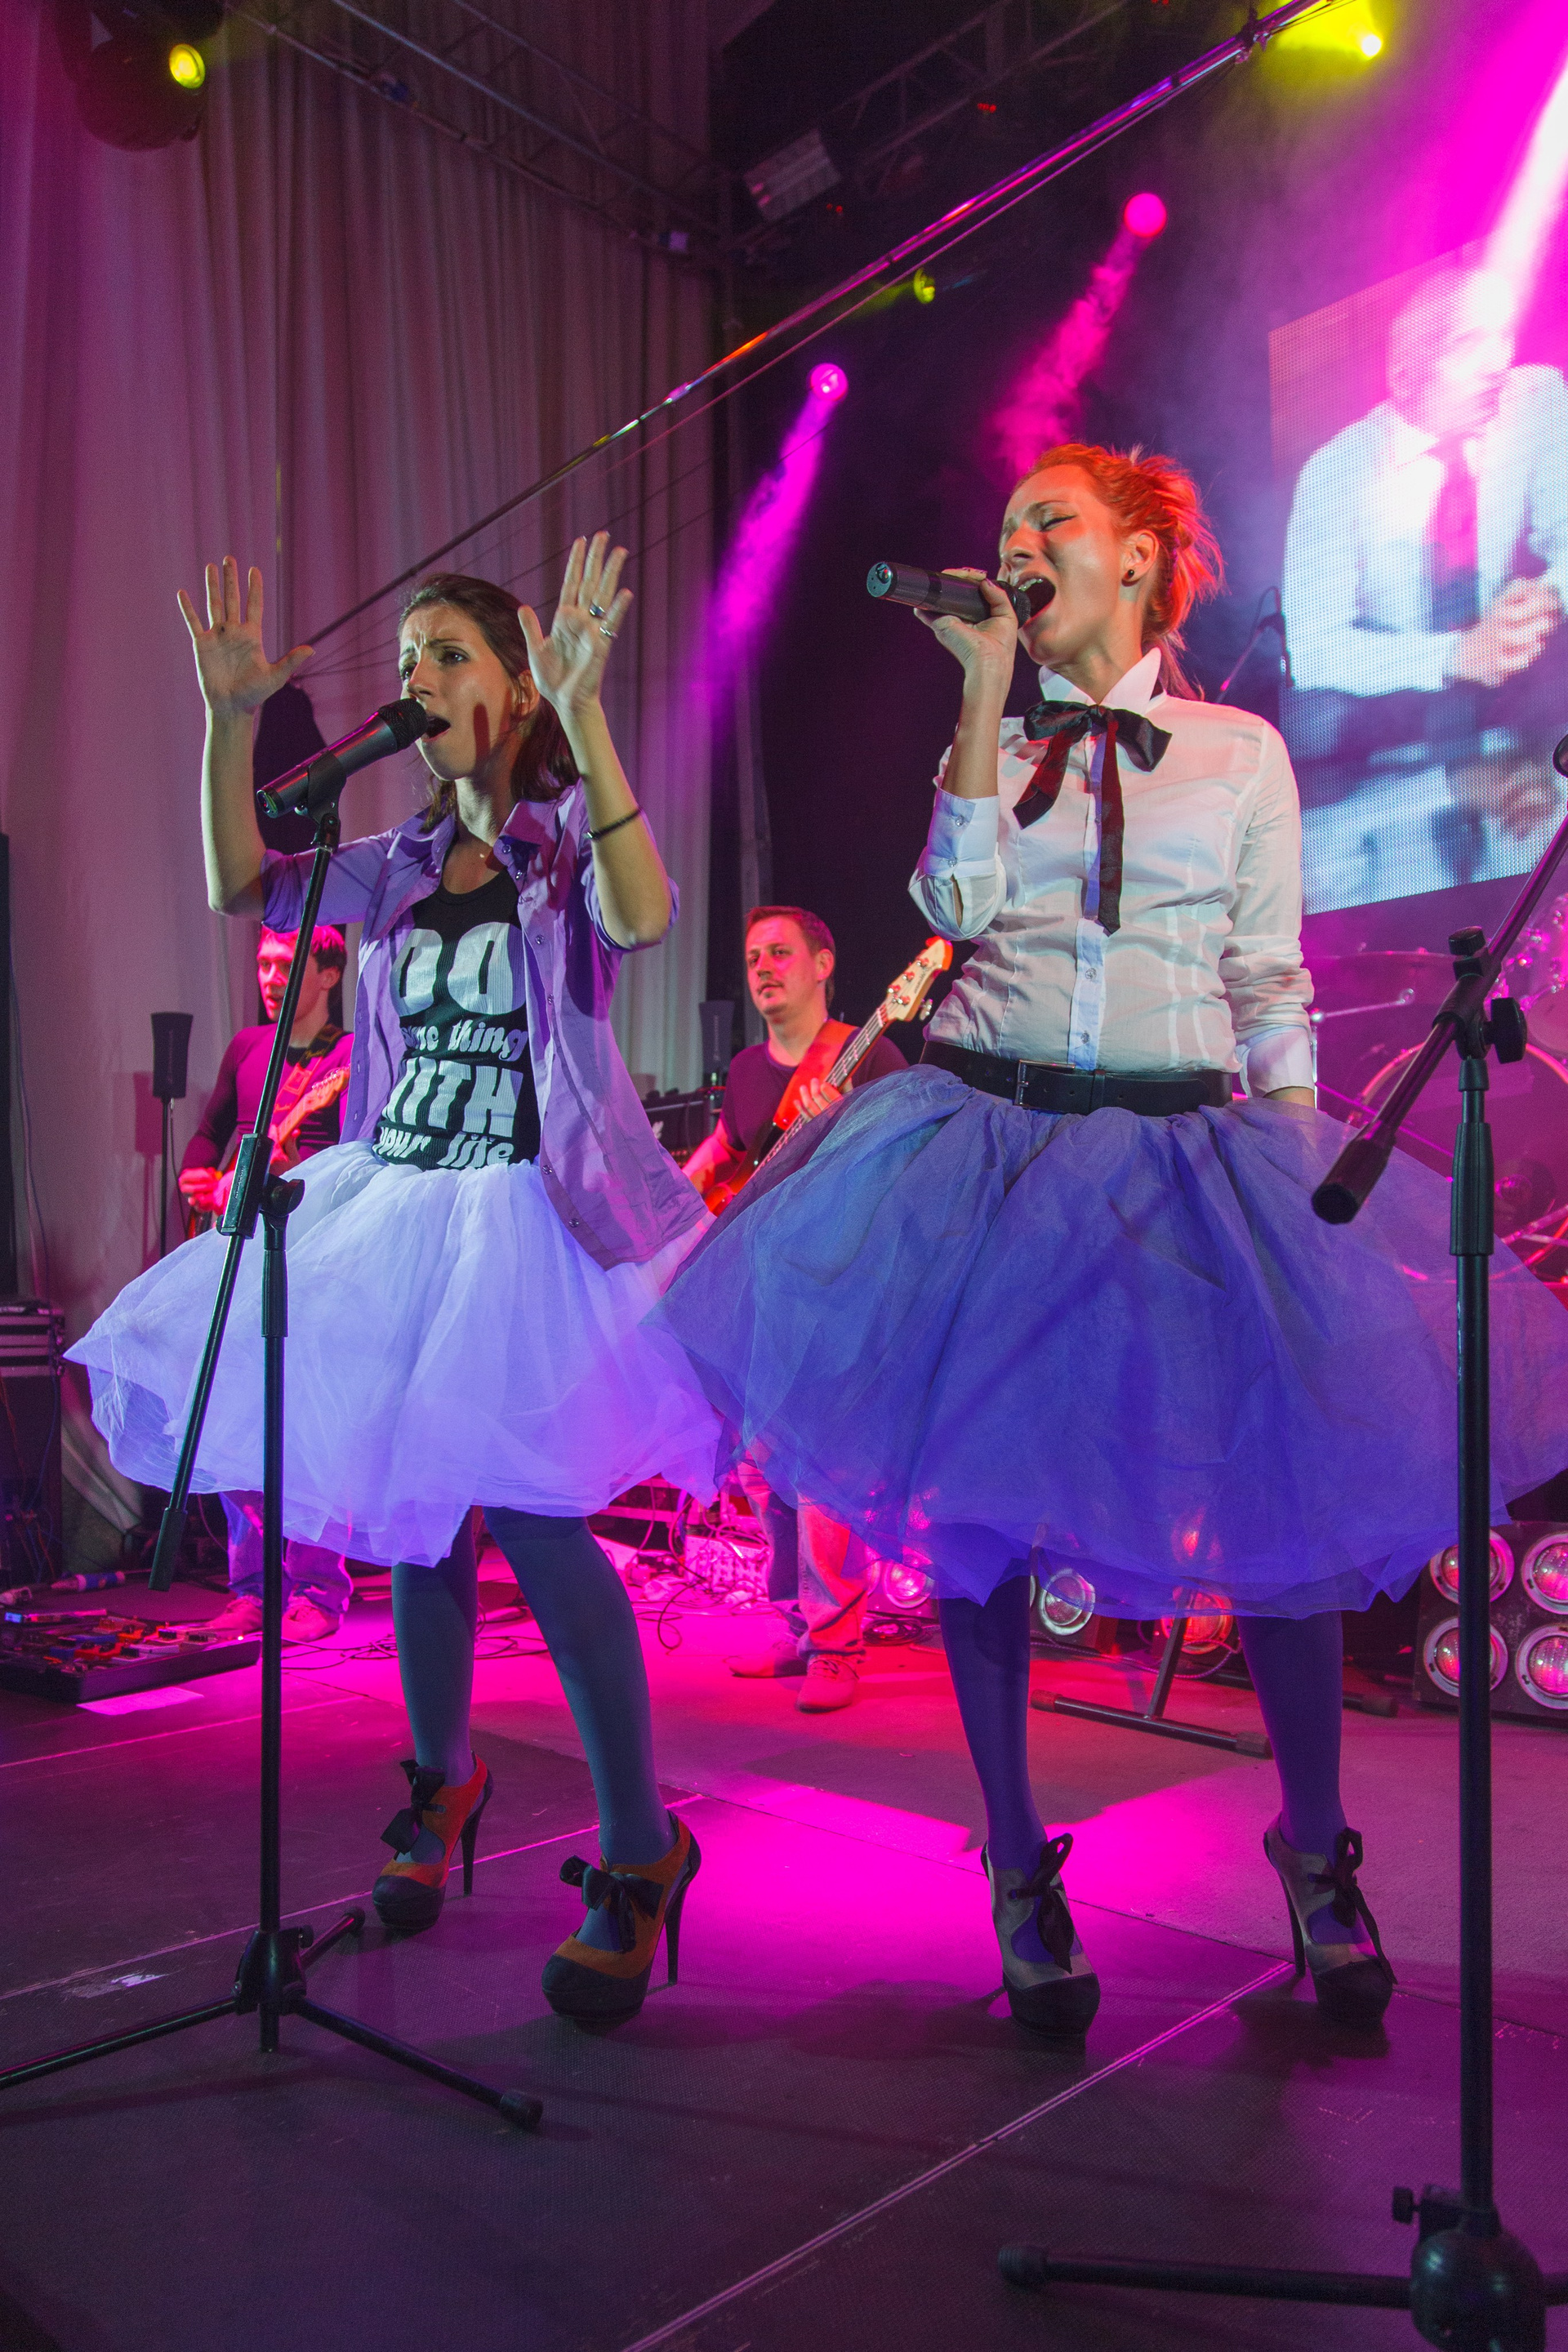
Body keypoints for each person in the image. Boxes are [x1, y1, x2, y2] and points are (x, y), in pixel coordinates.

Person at [657, 439, 1568, 2040]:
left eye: (1051, 521)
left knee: (1275, 1503)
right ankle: (1017, 1863)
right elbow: (953, 899)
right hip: (992, 1149)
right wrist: (977, 694)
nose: (1016, 541)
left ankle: (1315, 1851)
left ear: (1140, 557)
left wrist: (1304, 1195)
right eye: (1007, 522)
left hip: (1187, 1146)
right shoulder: (996, 743)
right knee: (980, 1520)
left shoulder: (1240, 752)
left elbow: (1268, 979)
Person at [70, 540, 723, 2025]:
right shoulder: (398, 863)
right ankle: (442, 1780)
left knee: (540, 1526)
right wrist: (231, 722)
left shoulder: (568, 836)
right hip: (401, 1198)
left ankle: (642, 1846)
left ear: (517, 687)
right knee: (421, 1525)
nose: (421, 677)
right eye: (414, 655)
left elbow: (641, 918)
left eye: (450, 655)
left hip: (529, 1217)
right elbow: (243, 883)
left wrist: (589, 713)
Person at [1281, 265, 1568, 910]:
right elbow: (1312, 647)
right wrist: (1456, 654)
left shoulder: (1537, 399)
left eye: (1502, 336)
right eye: (1468, 344)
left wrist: (1548, 594)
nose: (1497, 363)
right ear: (1405, 375)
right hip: (1388, 748)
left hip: (1528, 729)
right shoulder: (1335, 471)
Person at [684, 906, 906, 1711]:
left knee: (821, 1469)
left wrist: (840, 1127)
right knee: (759, 1464)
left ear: (823, 964)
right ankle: (797, 1624)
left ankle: (839, 1643)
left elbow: (906, 1167)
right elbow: (729, 1154)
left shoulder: (870, 1054)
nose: (763, 969)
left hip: (836, 1284)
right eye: (753, 958)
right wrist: (678, 1200)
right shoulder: (748, 1069)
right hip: (762, 1286)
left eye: (780, 953)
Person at [180, 923, 355, 1642]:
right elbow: (209, 1129)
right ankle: (251, 1586)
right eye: (263, 964)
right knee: (236, 1418)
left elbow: (359, 1158)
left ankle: (317, 1590)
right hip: (241, 1252)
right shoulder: (248, 1048)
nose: (271, 979)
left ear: (329, 974)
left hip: (315, 1255)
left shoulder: (348, 1058)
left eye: (287, 965)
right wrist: (200, 1175)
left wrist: (289, 1175)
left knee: (311, 1426)